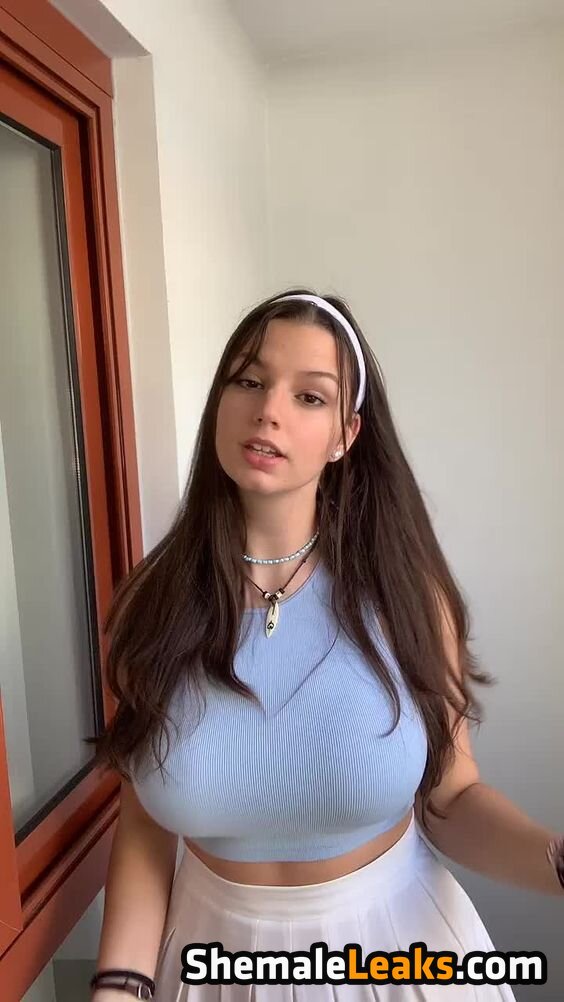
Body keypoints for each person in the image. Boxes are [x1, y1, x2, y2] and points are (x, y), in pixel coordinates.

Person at [89, 289, 563, 1002]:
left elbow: (451, 799)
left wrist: (555, 861)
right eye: (248, 381)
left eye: (309, 397)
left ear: (346, 435)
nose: (268, 410)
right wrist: (119, 987)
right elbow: (146, 823)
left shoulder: (407, 597)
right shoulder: (151, 608)